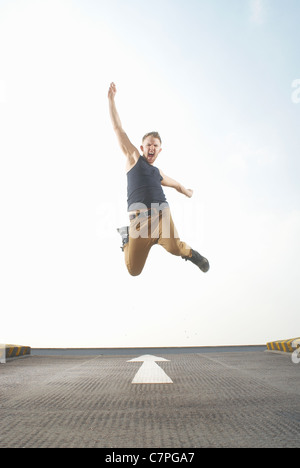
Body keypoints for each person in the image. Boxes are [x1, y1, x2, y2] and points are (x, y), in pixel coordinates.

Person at [108, 82, 209, 277]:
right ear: (143, 147)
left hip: (160, 214)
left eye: (155, 145)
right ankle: (125, 238)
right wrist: (111, 100)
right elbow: (118, 129)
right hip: (138, 223)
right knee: (133, 270)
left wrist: (188, 192)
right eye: (148, 145)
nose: (152, 148)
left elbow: (177, 185)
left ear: (159, 149)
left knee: (174, 247)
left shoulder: (159, 173)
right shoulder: (133, 158)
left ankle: (193, 255)